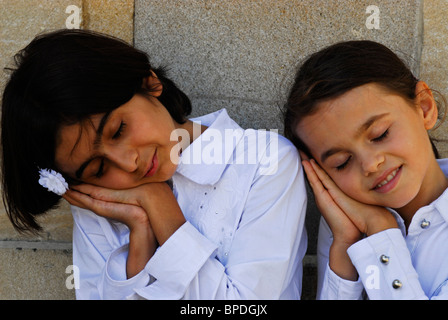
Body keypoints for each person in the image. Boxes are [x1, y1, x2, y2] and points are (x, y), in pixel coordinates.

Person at [1, 29, 307, 299]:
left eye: (118, 130)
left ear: (149, 83)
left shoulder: (265, 161)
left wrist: (160, 205)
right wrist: (141, 232)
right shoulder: (97, 205)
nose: (128, 162)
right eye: (98, 169)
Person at [284, 40, 448, 300]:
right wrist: (345, 248)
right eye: (342, 162)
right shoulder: (344, 228)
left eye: (380, 134)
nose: (371, 165)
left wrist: (381, 234)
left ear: (425, 107)